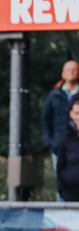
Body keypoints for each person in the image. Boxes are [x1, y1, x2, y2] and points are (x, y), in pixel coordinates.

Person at [42, 60, 79, 201]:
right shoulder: (54, 95)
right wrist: (49, 142)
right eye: (68, 69)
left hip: (76, 145)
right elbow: (46, 119)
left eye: (74, 69)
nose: (71, 72)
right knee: (62, 181)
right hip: (59, 145)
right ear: (63, 74)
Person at [56, 99, 79, 201]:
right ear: (71, 115)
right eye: (77, 113)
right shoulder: (66, 138)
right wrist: (61, 188)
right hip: (70, 192)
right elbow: (60, 164)